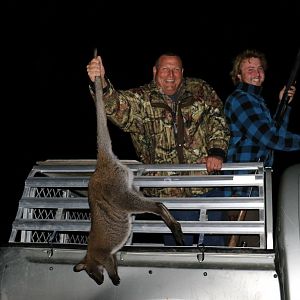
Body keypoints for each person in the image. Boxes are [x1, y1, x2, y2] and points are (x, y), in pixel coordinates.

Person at [87, 52, 230, 246]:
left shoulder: (200, 90)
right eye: (165, 69)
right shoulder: (143, 99)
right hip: (168, 192)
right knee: (177, 249)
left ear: (182, 72)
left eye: (176, 70)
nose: (170, 75)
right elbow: (117, 107)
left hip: (206, 184)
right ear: (155, 71)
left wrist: (216, 152)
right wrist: (102, 83)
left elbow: (217, 120)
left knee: (215, 247)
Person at [224, 49, 300, 246]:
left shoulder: (257, 101)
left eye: (259, 68)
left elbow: (272, 135)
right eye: (250, 69)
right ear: (238, 76)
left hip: (257, 188)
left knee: (258, 247)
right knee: (246, 251)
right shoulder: (240, 98)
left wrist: (285, 105)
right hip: (241, 191)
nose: (256, 72)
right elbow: (269, 138)